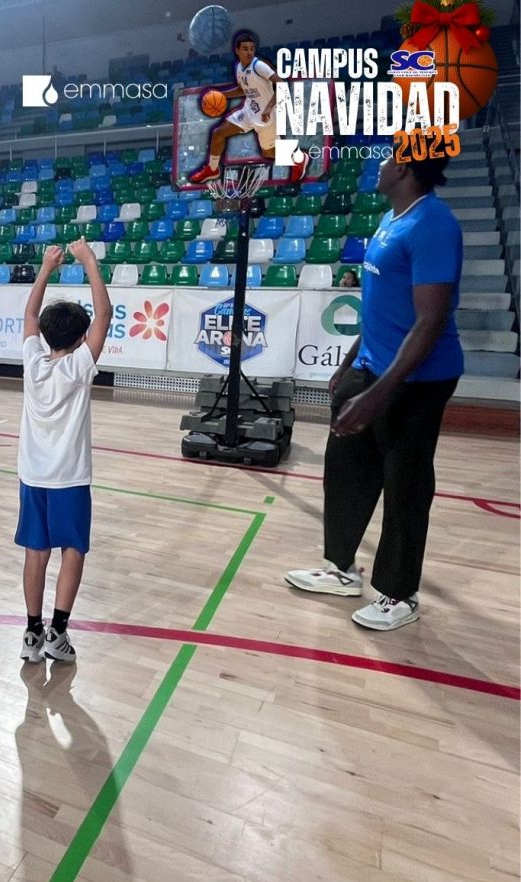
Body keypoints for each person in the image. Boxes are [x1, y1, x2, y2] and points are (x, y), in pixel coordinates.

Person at [285, 152, 463, 631]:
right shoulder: (393, 217)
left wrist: (380, 392)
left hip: (419, 380)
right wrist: (349, 365)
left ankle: (400, 593)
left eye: (388, 158)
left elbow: (430, 321)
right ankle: (341, 569)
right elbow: (382, 307)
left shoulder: (433, 225)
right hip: (372, 367)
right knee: (345, 469)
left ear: (405, 169)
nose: (379, 165)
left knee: (405, 484)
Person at [16, 239, 112, 663]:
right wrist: (88, 261)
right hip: (69, 479)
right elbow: (104, 315)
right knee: (73, 551)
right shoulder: (77, 367)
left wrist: (46, 267)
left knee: (35, 553)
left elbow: (29, 316)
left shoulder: (32, 361)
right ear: (80, 339)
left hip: (32, 476)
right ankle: (58, 631)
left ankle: (32, 632)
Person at [189, 30, 310, 186]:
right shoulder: (238, 67)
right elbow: (243, 90)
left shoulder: (259, 66)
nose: (249, 52)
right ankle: (212, 169)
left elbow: (282, 84)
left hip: (267, 115)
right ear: (237, 50)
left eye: (252, 49)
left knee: (268, 152)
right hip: (249, 111)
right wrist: (221, 95)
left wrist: (268, 108)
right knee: (218, 133)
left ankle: (299, 158)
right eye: (245, 49)